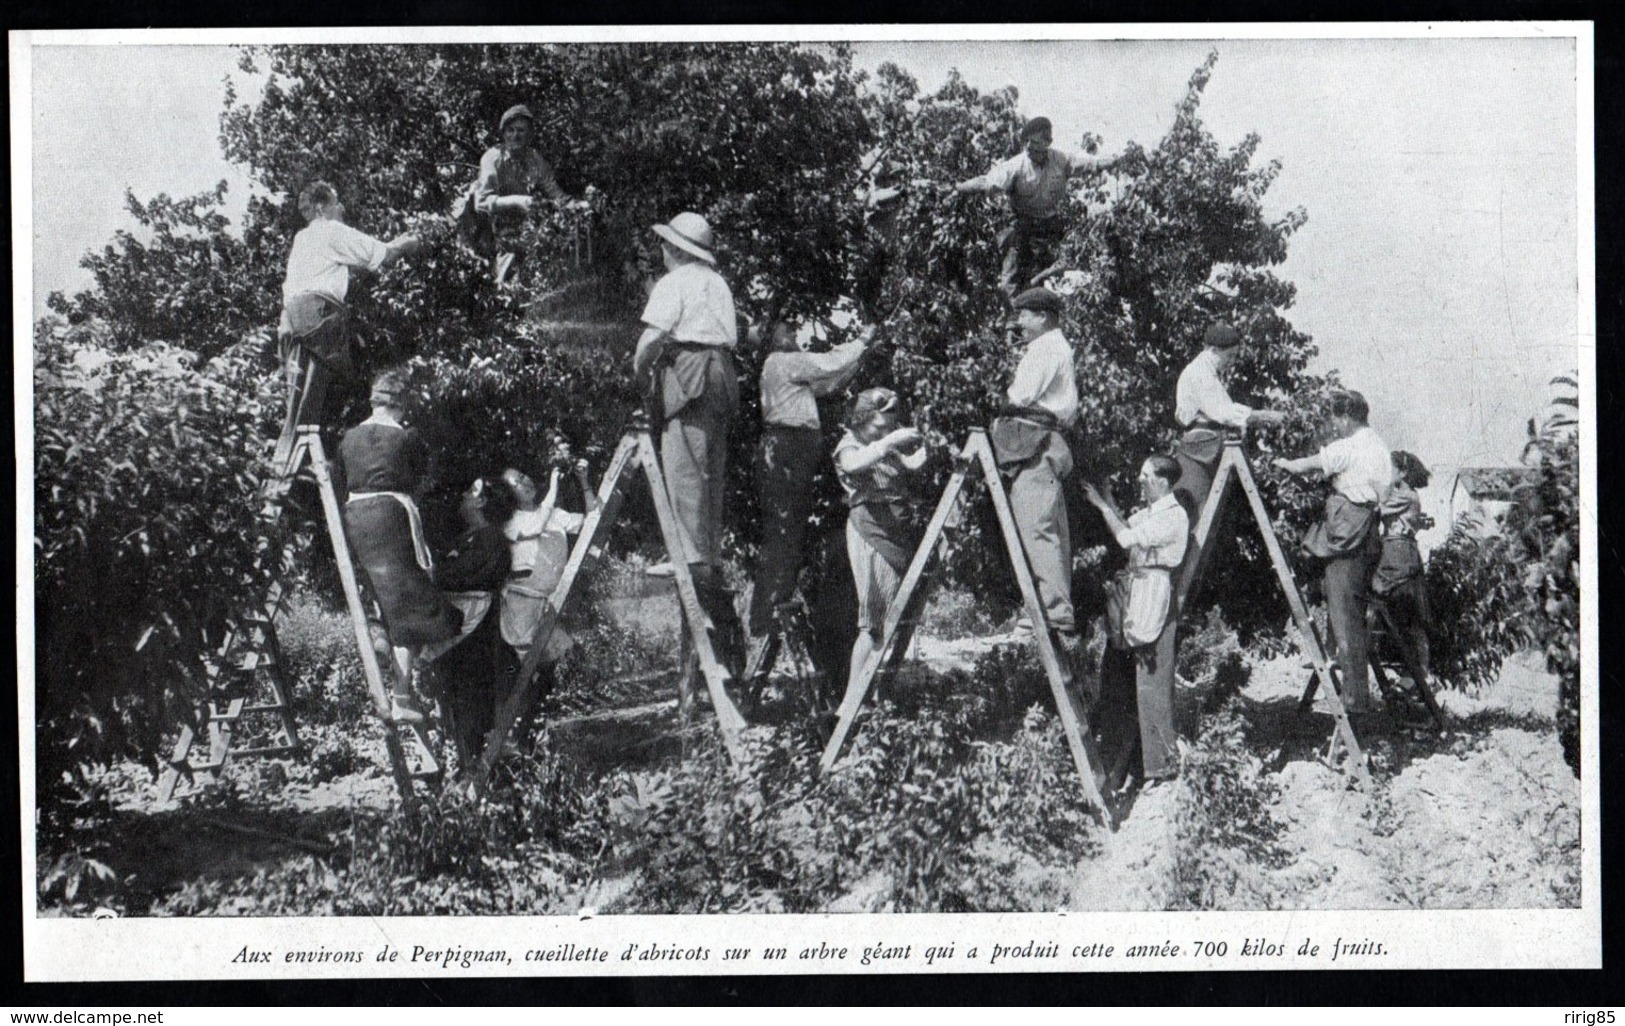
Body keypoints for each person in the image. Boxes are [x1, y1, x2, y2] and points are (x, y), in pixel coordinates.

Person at [633, 211, 745, 671]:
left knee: (683, 476)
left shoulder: (674, 283)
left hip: (691, 375)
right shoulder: (717, 284)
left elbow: (650, 341)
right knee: (708, 481)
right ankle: (703, 560)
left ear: (674, 249)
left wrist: (639, 377)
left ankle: (696, 570)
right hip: (720, 378)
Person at [339, 368, 460, 722]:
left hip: (356, 515)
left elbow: (342, 478)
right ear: (401, 405)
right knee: (413, 604)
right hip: (391, 514)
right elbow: (415, 481)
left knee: (379, 591)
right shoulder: (405, 439)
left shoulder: (348, 438)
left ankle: (380, 638)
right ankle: (403, 695)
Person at [275, 181, 421, 467]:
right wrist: (410, 242)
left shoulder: (302, 238)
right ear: (321, 207)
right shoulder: (329, 230)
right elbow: (382, 255)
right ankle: (279, 487)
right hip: (316, 321)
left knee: (301, 412)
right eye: (335, 201)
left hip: (295, 321)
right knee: (305, 417)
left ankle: (288, 480)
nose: (341, 208)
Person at [748, 316, 875, 646]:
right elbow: (829, 364)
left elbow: (831, 382)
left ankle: (773, 607)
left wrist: (860, 353)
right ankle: (765, 615)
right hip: (787, 446)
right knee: (783, 528)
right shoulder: (783, 362)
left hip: (796, 448)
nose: (791, 331)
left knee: (789, 530)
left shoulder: (787, 370)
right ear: (768, 335)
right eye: (784, 327)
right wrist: (862, 340)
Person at [1274, 390, 1392, 714]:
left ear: (1345, 417)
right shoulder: (1379, 447)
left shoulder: (1349, 447)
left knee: (1344, 618)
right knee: (1347, 608)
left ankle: (1353, 701)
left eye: (1335, 419)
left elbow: (1303, 467)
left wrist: (1281, 462)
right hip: (1367, 535)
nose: (1334, 426)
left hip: (1348, 535)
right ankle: (1351, 687)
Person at [1083, 455, 1190, 784]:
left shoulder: (1173, 516)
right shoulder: (1155, 512)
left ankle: (1162, 768)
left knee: (1152, 683)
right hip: (1139, 590)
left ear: (1161, 481)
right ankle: (1130, 758)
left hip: (1153, 592)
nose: (1140, 481)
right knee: (1120, 674)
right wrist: (1109, 499)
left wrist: (1101, 506)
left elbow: (1126, 539)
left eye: (1145, 476)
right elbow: (1129, 526)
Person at [990, 288, 1083, 663]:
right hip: (1045, 440)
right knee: (1046, 530)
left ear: (1043, 316)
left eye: (1025, 316)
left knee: (1038, 530)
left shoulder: (1044, 349)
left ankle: (1056, 615)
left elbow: (1023, 394)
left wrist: (997, 400)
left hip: (1036, 440)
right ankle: (1048, 610)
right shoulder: (1054, 346)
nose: (1020, 324)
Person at [955, 116, 1120, 296]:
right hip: (1022, 224)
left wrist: (1117, 160)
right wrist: (958, 188)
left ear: (1047, 142)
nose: (1028, 146)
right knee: (1011, 274)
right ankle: (1010, 314)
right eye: (1026, 141)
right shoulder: (1017, 165)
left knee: (1059, 270)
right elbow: (987, 182)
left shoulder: (1061, 160)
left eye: (1034, 142)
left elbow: (1092, 164)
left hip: (1050, 225)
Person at [421, 475, 520, 773]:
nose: (464, 494)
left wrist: (435, 574)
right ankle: (467, 766)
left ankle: (476, 772)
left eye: (471, 490)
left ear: (482, 502)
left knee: (470, 701)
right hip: (459, 623)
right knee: (456, 699)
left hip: (475, 630)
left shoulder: (491, 538)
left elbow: (461, 575)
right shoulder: (470, 537)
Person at [832, 388, 928, 690]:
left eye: (889, 426)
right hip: (870, 531)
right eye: (878, 427)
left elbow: (912, 465)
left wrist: (935, 444)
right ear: (860, 421)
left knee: (891, 616)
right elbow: (852, 465)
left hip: (895, 529)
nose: (885, 431)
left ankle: (872, 694)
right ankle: (852, 700)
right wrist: (888, 441)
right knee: (872, 624)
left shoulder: (883, 442)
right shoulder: (850, 445)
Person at [1171, 322, 1288, 521]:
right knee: (1196, 514)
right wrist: (1265, 416)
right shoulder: (1198, 373)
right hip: (1199, 451)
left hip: (1208, 447)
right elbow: (1225, 412)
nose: (1232, 362)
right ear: (1213, 350)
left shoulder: (1208, 373)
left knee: (1215, 513)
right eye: (1229, 356)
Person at [500, 449, 601, 676]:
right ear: (509, 493)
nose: (526, 482)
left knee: (565, 660)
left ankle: (552, 702)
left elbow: (592, 523)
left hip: (552, 602)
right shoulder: (511, 522)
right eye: (517, 482)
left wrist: (584, 482)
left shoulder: (555, 514)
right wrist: (554, 482)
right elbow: (536, 527)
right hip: (522, 605)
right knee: (529, 668)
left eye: (525, 476)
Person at [466, 104, 578, 284]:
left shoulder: (534, 160)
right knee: (497, 267)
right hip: (484, 224)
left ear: (529, 135)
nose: (515, 136)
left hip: (516, 224)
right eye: (510, 130)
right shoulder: (493, 158)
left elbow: (555, 193)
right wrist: (516, 201)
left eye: (521, 131)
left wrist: (574, 206)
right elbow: (482, 203)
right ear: (503, 133)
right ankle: (500, 289)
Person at [1370, 450, 1434, 685]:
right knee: (1402, 612)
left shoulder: (1407, 496)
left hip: (1398, 552)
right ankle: (1412, 673)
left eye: (1391, 469)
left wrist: (1367, 482)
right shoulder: (1407, 495)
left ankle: (1416, 673)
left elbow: (1379, 507)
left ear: (1403, 472)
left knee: (1402, 608)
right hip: (1395, 550)